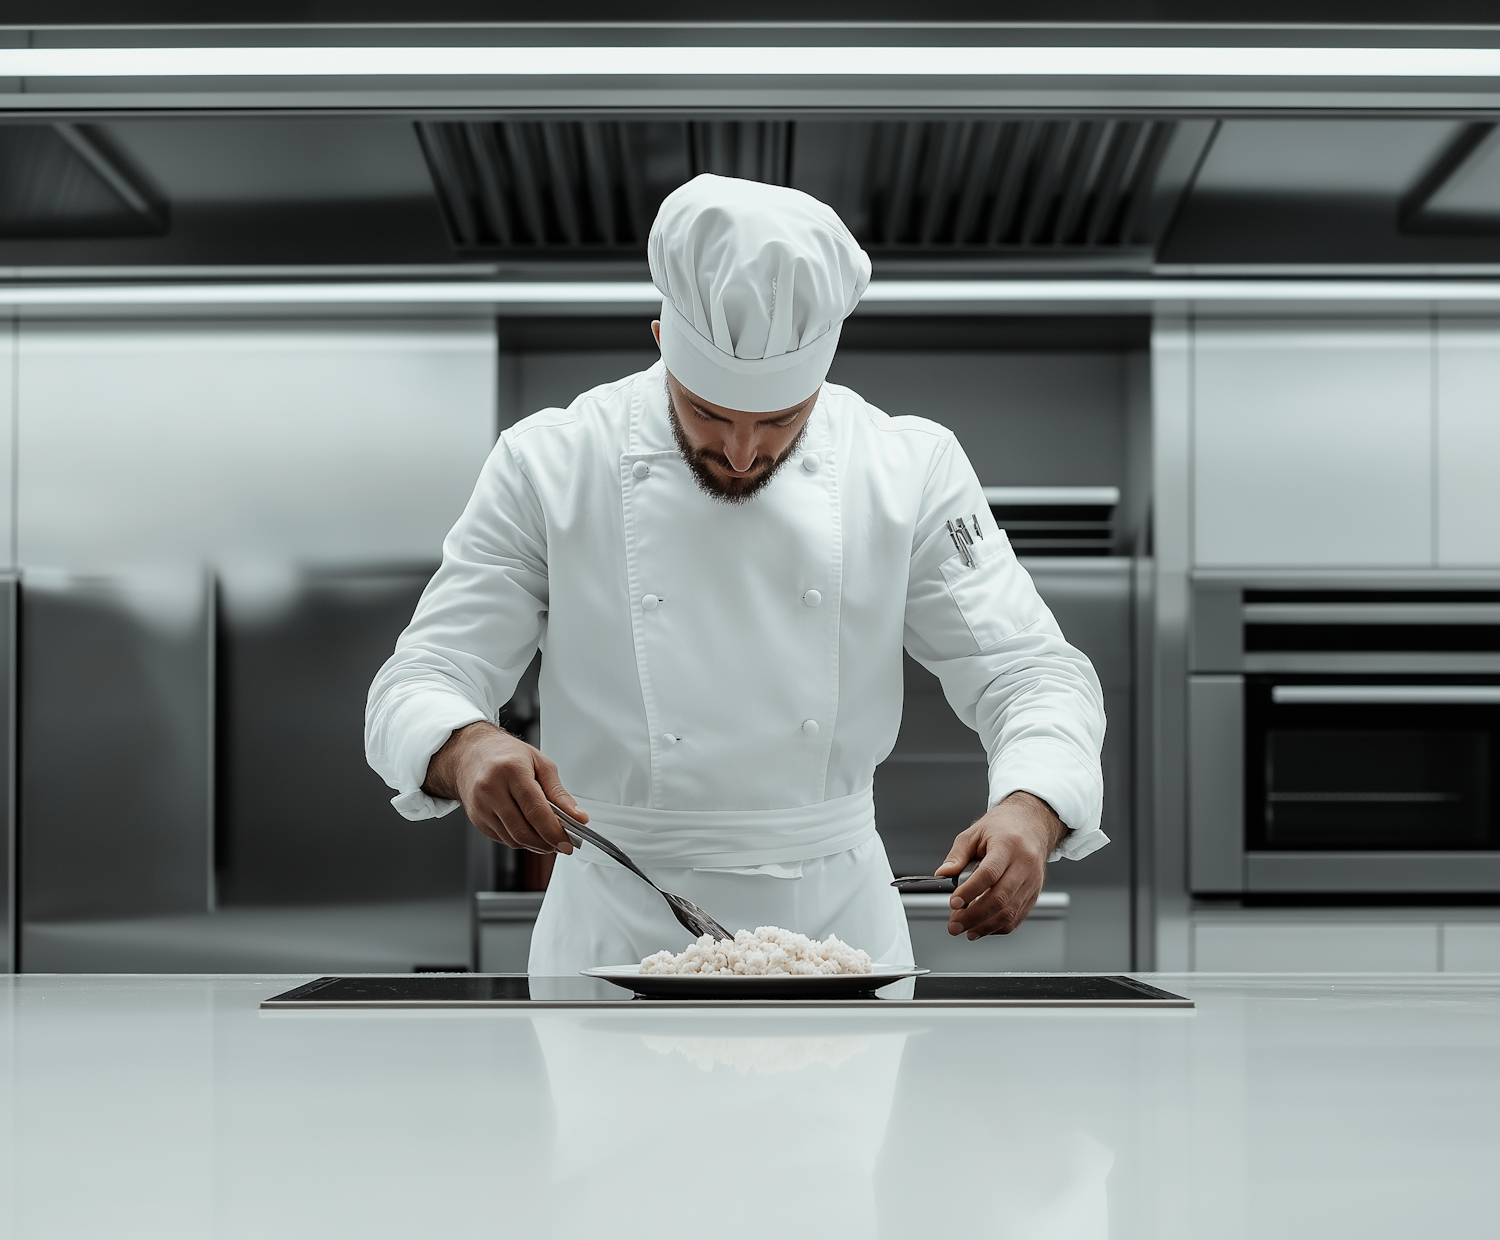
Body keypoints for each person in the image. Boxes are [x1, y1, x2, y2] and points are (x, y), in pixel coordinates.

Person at [365, 174, 1107, 974]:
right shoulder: (549, 463)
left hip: (838, 933)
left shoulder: (909, 467)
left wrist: (1033, 805)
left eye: (781, 419)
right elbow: (421, 677)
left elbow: (1029, 672)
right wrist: (467, 745)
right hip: (615, 929)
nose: (744, 452)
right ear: (661, 339)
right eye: (709, 413)